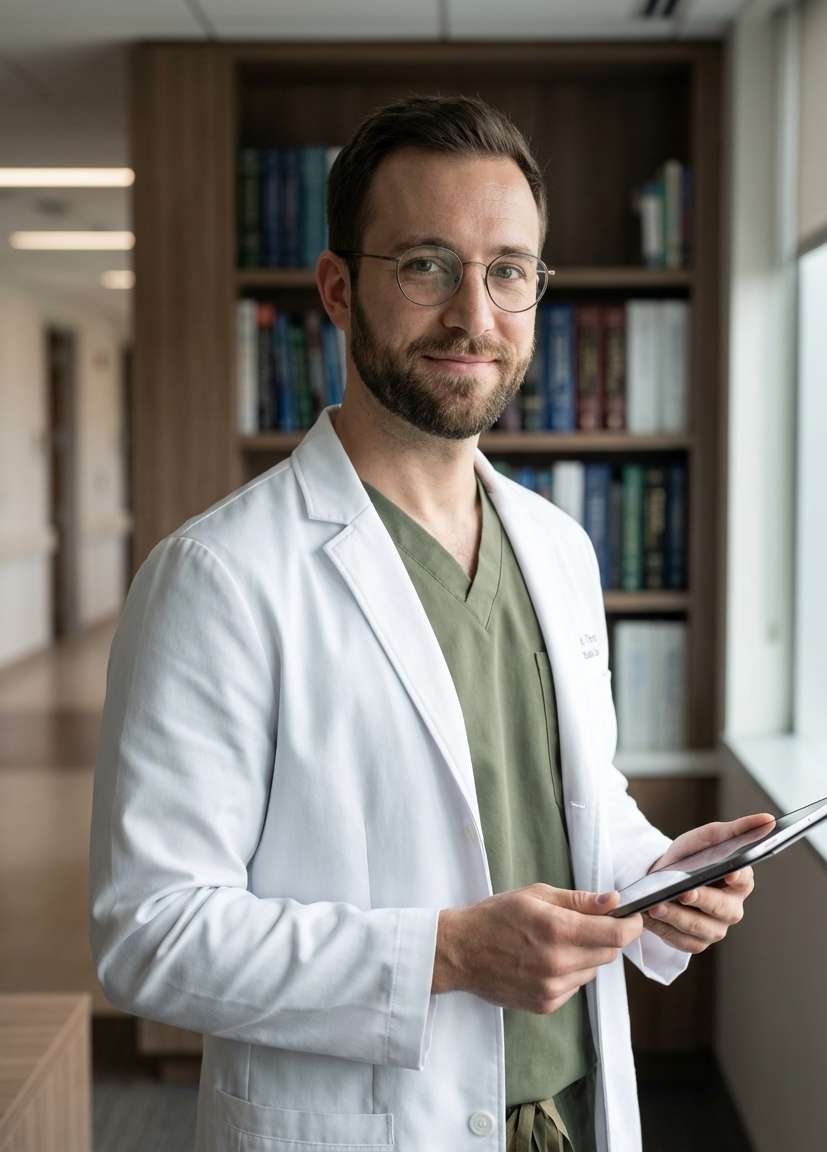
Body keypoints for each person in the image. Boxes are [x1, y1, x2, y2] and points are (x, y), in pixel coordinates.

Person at [90, 94, 771, 1152]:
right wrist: (446, 954)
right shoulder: (219, 577)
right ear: (337, 289)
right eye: (425, 265)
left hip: (574, 1109)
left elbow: (564, 800)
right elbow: (149, 934)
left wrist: (659, 878)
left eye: (508, 270)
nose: (474, 316)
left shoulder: (558, 547)